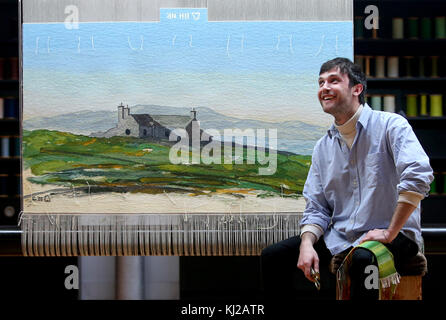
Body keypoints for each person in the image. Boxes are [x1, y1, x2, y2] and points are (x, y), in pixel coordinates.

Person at [260, 57, 434, 300]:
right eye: (320, 83)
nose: (324, 88)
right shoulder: (323, 147)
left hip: (393, 237)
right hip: (343, 238)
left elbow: (418, 176)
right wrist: (307, 243)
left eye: (333, 80)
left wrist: (389, 233)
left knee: (363, 260)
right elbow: (317, 207)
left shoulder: (391, 126)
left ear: (357, 89)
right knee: (273, 255)